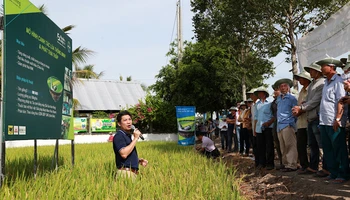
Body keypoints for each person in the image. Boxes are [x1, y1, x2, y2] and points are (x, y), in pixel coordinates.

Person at [316, 57, 349, 183]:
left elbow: (341, 101)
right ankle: (333, 172)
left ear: (331, 67)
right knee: (328, 149)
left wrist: (338, 119)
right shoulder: (326, 82)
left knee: (339, 148)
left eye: (323, 65)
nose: (321, 68)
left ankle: (343, 173)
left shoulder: (339, 81)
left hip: (334, 120)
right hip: (324, 121)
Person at [113, 110, 148, 179]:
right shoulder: (119, 136)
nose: (128, 122)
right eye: (125, 120)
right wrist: (135, 138)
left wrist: (137, 160)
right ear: (119, 123)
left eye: (129, 119)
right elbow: (123, 154)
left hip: (132, 173)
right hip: (125, 173)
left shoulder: (127, 136)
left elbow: (126, 155)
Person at [274, 78, 298, 172]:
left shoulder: (292, 98)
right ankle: (285, 163)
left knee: (290, 145)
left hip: (288, 123)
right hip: (279, 125)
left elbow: (295, 111)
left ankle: (292, 164)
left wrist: (291, 123)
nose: (283, 88)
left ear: (288, 88)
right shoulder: (279, 99)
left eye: (285, 86)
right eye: (281, 86)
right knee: (282, 146)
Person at [293, 71, 312, 174]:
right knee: (300, 145)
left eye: (301, 78)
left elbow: (310, 104)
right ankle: (304, 165)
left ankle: (312, 166)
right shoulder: (301, 91)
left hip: (308, 120)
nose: (299, 80)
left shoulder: (311, 90)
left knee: (312, 145)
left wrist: (301, 108)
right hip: (300, 122)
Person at [254, 87, 275, 170]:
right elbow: (256, 117)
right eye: (258, 93)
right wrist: (255, 129)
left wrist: (269, 122)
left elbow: (274, 115)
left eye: (261, 93)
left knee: (269, 145)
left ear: (264, 93)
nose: (259, 94)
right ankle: (261, 163)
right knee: (260, 146)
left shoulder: (270, 102)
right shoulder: (257, 104)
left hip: (268, 127)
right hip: (259, 127)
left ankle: (270, 163)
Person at [271, 83, 283, 169]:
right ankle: (282, 161)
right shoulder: (274, 102)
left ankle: (290, 162)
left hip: (284, 122)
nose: (275, 91)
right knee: (278, 142)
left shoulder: (285, 99)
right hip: (276, 123)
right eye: (275, 89)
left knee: (286, 143)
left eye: (277, 89)